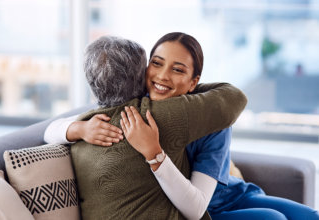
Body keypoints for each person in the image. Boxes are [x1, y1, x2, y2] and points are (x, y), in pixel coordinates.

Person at [45, 32, 319, 220]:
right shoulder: (135, 108)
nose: (162, 76)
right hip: (200, 209)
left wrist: (154, 153)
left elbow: (199, 198)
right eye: (156, 64)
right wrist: (79, 129)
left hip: (224, 195)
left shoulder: (211, 118)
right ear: (144, 69)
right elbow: (49, 131)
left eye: (178, 70)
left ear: (194, 81)